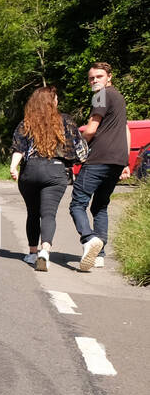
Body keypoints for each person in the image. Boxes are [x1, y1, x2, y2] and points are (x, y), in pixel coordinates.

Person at [9, 86, 85, 272]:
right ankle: (45, 251)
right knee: (48, 214)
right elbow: (80, 149)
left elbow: (19, 148)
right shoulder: (65, 121)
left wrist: (13, 167)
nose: (58, 101)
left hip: (30, 171)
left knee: (33, 213)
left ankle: (32, 253)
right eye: (56, 98)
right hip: (56, 171)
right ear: (52, 102)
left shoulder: (26, 123)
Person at [70, 62, 132, 271]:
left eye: (99, 76)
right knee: (100, 206)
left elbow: (91, 129)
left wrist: (75, 143)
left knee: (77, 203)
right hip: (116, 160)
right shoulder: (119, 97)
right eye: (91, 78)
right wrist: (125, 162)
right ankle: (100, 255)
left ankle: (89, 240)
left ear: (109, 78)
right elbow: (125, 130)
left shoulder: (100, 95)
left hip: (99, 158)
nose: (94, 80)